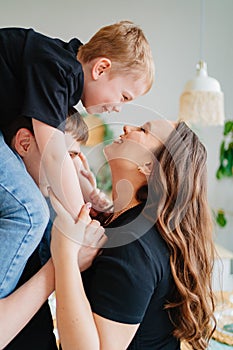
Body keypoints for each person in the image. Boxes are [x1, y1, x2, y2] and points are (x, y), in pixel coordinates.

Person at [0, 20, 154, 298]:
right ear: (101, 68)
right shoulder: (57, 68)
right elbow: (54, 155)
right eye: (124, 96)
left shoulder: (64, 75)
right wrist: (82, 223)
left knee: (47, 211)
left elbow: (63, 154)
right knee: (31, 213)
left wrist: (87, 197)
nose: (118, 107)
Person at [50, 119, 216, 350]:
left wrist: (64, 257)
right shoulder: (131, 223)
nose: (127, 127)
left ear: (149, 165)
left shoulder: (134, 245)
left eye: (143, 130)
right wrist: (89, 194)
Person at [0, 111, 108, 349]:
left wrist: (87, 194)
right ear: (24, 143)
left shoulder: (47, 211)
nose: (71, 170)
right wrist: (64, 261)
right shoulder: (18, 219)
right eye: (65, 156)